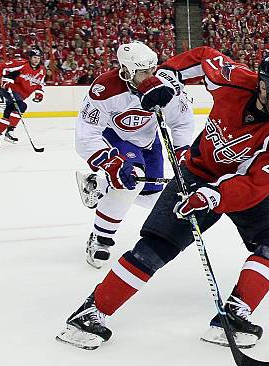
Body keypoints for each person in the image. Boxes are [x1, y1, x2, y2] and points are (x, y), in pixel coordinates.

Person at [57, 47, 269, 350]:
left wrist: (213, 196)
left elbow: (255, 183)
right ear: (263, 87)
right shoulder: (234, 80)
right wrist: (168, 75)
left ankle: (233, 315)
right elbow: (203, 56)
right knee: (155, 248)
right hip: (196, 172)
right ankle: (89, 314)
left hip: (238, 185)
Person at [74, 41, 194, 269]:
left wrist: (182, 152)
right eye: (143, 72)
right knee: (129, 181)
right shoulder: (105, 89)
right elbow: (86, 134)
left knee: (151, 198)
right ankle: (100, 239)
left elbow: (181, 122)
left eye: (152, 69)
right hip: (117, 137)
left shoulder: (165, 84)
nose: (151, 76)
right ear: (126, 71)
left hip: (149, 141)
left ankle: (99, 186)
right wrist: (109, 162)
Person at [0, 47, 46, 148]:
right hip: (10, 89)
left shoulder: (42, 70)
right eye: (34, 57)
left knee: (9, 111)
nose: (36, 60)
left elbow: (39, 84)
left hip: (22, 95)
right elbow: (0, 67)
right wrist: (5, 80)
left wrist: (39, 93)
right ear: (30, 58)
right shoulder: (21, 64)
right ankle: (10, 131)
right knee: (21, 106)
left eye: (38, 57)